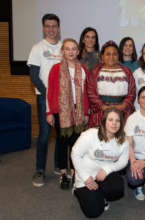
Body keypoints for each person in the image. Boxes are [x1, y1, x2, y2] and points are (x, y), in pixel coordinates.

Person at [46, 38, 89, 189]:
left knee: (76, 143)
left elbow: (85, 93)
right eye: (67, 49)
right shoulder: (56, 69)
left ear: (77, 51)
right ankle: (64, 173)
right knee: (62, 143)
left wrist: (86, 112)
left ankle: (74, 171)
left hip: (78, 111)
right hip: (61, 112)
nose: (70, 52)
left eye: (73, 49)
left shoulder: (82, 69)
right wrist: (50, 112)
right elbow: (50, 91)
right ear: (63, 51)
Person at [71, 107, 129, 218]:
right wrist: (86, 178)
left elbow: (123, 161)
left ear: (121, 123)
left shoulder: (123, 139)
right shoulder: (90, 134)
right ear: (103, 121)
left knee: (117, 188)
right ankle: (77, 191)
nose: (114, 123)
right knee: (94, 212)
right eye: (110, 119)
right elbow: (75, 154)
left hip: (103, 174)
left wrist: (107, 170)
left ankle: (100, 193)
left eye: (117, 121)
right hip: (85, 176)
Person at [27, 13, 62, 187]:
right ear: (43, 28)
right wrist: (49, 94)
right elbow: (34, 76)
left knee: (61, 133)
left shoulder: (64, 47)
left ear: (58, 27)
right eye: (48, 26)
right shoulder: (37, 48)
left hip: (62, 100)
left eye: (54, 26)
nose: (51, 29)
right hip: (44, 99)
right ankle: (40, 170)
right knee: (45, 135)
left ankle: (58, 165)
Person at [87, 40, 136, 127]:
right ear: (102, 56)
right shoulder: (94, 71)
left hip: (122, 112)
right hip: (101, 112)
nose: (111, 57)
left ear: (118, 56)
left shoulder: (126, 71)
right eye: (108, 54)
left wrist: (123, 105)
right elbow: (91, 92)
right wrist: (103, 106)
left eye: (114, 54)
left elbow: (132, 91)